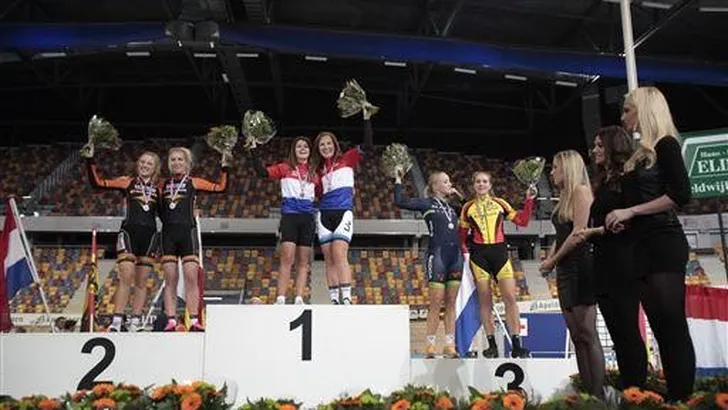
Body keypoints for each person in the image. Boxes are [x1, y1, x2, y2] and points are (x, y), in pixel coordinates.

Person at [605, 86, 695, 402]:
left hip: (663, 242)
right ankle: (674, 395)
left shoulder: (666, 145)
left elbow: (680, 194)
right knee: (659, 328)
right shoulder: (639, 155)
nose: (623, 116)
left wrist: (631, 211)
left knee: (672, 325)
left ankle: (681, 398)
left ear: (644, 110)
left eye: (628, 109)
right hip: (640, 246)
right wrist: (625, 217)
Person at [577, 126, 645, 391]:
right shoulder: (604, 181)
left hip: (623, 262)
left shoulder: (629, 178)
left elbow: (630, 222)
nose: (594, 150)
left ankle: (637, 391)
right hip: (603, 263)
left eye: (599, 145)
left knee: (628, 331)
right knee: (617, 334)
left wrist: (594, 231)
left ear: (613, 147)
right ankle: (628, 388)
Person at [540, 150, 604, 398]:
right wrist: (551, 259)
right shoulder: (564, 198)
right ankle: (586, 394)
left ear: (568, 168)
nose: (552, 172)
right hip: (565, 268)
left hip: (581, 266)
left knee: (587, 333)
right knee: (576, 336)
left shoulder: (581, 191)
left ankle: (597, 396)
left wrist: (553, 261)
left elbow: (578, 234)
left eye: (555, 167)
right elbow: (562, 236)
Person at [458, 171, 534, 358]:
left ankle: (516, 345)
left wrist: (529, 200)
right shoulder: (467, 207)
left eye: (485, 181)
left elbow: (523, 221)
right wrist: (465, 254)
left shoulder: (501, 203)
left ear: (490, 185)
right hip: (479, 256)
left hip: (500, 254)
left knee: (510, 298)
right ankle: (491, 345)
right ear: (473, 185)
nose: (481, 184)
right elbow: (461, 237)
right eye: (478, 181)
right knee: (485, 301)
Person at [86, 151, 161, 332]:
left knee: (142, 281)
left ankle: (135, 322)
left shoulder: (159, 189)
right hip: (128, 233)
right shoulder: (127, 182)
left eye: (149, 163)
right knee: (126, 276)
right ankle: (117, 322)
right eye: (142, 162)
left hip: (150, 236)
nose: (144, 165)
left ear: (155, 168)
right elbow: (98, 183)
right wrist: (90, 159)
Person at [394, 168, 464, 358]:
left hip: (456, 257)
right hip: (437, 255)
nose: (450, 184)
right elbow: (400, 201)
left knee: (451, 303)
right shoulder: (427, 204)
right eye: (446, 181)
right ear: (435, 186)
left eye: (449, 181)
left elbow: (470, 212)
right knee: (435, 302)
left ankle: (449, 345)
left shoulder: (453, 207)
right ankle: (430, 345)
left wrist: (460, 198)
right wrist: (398, 180)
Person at [159, 147, 228, 331]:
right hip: (167, 235)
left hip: (188, 233)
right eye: (173, 159)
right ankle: (171, 320)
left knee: (191, 278)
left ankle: (195, 320)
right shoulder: (162, 185)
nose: (176, 162)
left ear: (187, 163)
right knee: (170, 279)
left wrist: (225, 166)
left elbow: (221, 187)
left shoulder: (194, 182)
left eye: (180, 159)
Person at [311, 118, 373, 305]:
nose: (326, 147)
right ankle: (334, 300)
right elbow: (316, 194)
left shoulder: (347, 158)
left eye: (329, 143)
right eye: (322, 144)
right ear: (318, 148)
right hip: (323, 215)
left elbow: (368, 145)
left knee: (339, 254)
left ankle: (346, 298)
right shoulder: (318, 171)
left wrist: (367, 120)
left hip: (343, 212)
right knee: (329, 258)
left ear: (335, 144)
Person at [252, 137, 317, 305]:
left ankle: (299, 298)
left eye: (305, 146)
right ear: (293, 150)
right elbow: (262, 172)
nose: (302, 149)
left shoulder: (314, 172)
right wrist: (253, 149)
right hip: (290, 216)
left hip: (308, 219)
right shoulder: (284, 167)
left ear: (310, 150)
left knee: (303, 262)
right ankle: (281, 298)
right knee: (287, 258)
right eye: (299, 146)